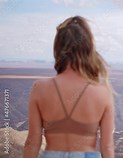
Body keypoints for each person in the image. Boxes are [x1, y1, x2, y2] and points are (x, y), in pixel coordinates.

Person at [23, 16, 115, 158]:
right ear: (88, 48)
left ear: (58, 48)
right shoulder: (102, 92)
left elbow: (32, 142)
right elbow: (107, 147)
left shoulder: (39, 88)